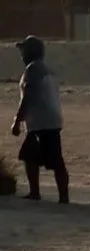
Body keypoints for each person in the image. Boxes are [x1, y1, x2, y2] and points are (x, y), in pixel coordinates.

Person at [11, 35, 68, 204]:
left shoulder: (32, 70)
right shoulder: (48, 69)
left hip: (39, 122)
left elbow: (28, 97)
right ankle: (63, 197)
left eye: (23, 51)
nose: (21, 55)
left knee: (30, 156)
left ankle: (35, 192)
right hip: (53, 119)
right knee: (54, 160)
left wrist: (17, 120)